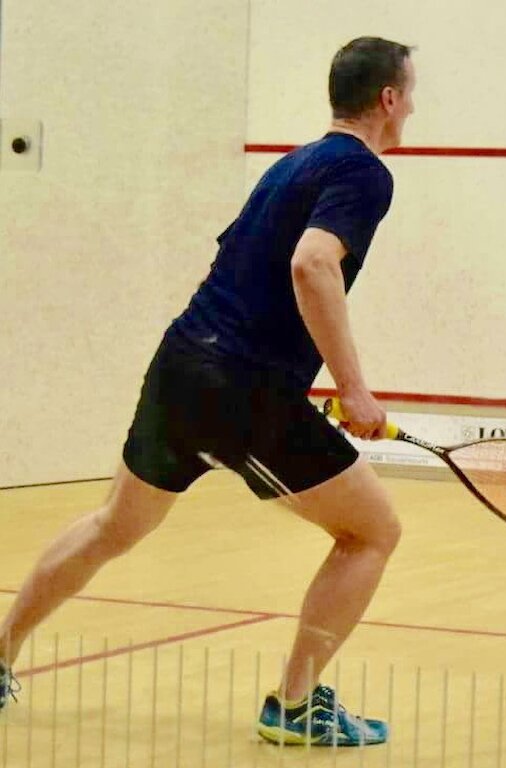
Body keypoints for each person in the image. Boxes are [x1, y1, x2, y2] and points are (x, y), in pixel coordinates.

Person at [0, 36, 416, 746]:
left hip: (182, 363)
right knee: (372, 532)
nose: (411, 110)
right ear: (387, 98)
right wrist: (353, 390)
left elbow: (234, 265)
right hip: (242, 388)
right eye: (409, 96)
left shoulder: (289, 165)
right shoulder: (365, 172)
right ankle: (295, 705)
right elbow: (313, 264)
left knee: (113, 526)